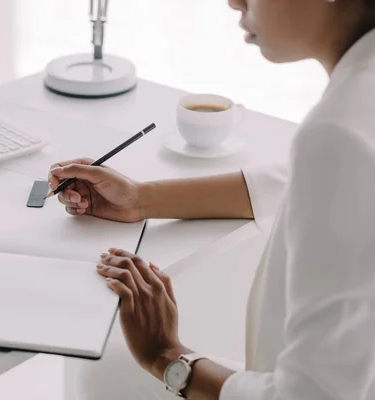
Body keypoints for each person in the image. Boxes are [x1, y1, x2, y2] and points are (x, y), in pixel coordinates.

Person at [47, 0, 375, 398]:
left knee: (103, 378)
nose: (234, 2)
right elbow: (298, 183)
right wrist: (141, 200)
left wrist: (167, 357)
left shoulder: (339, 132)